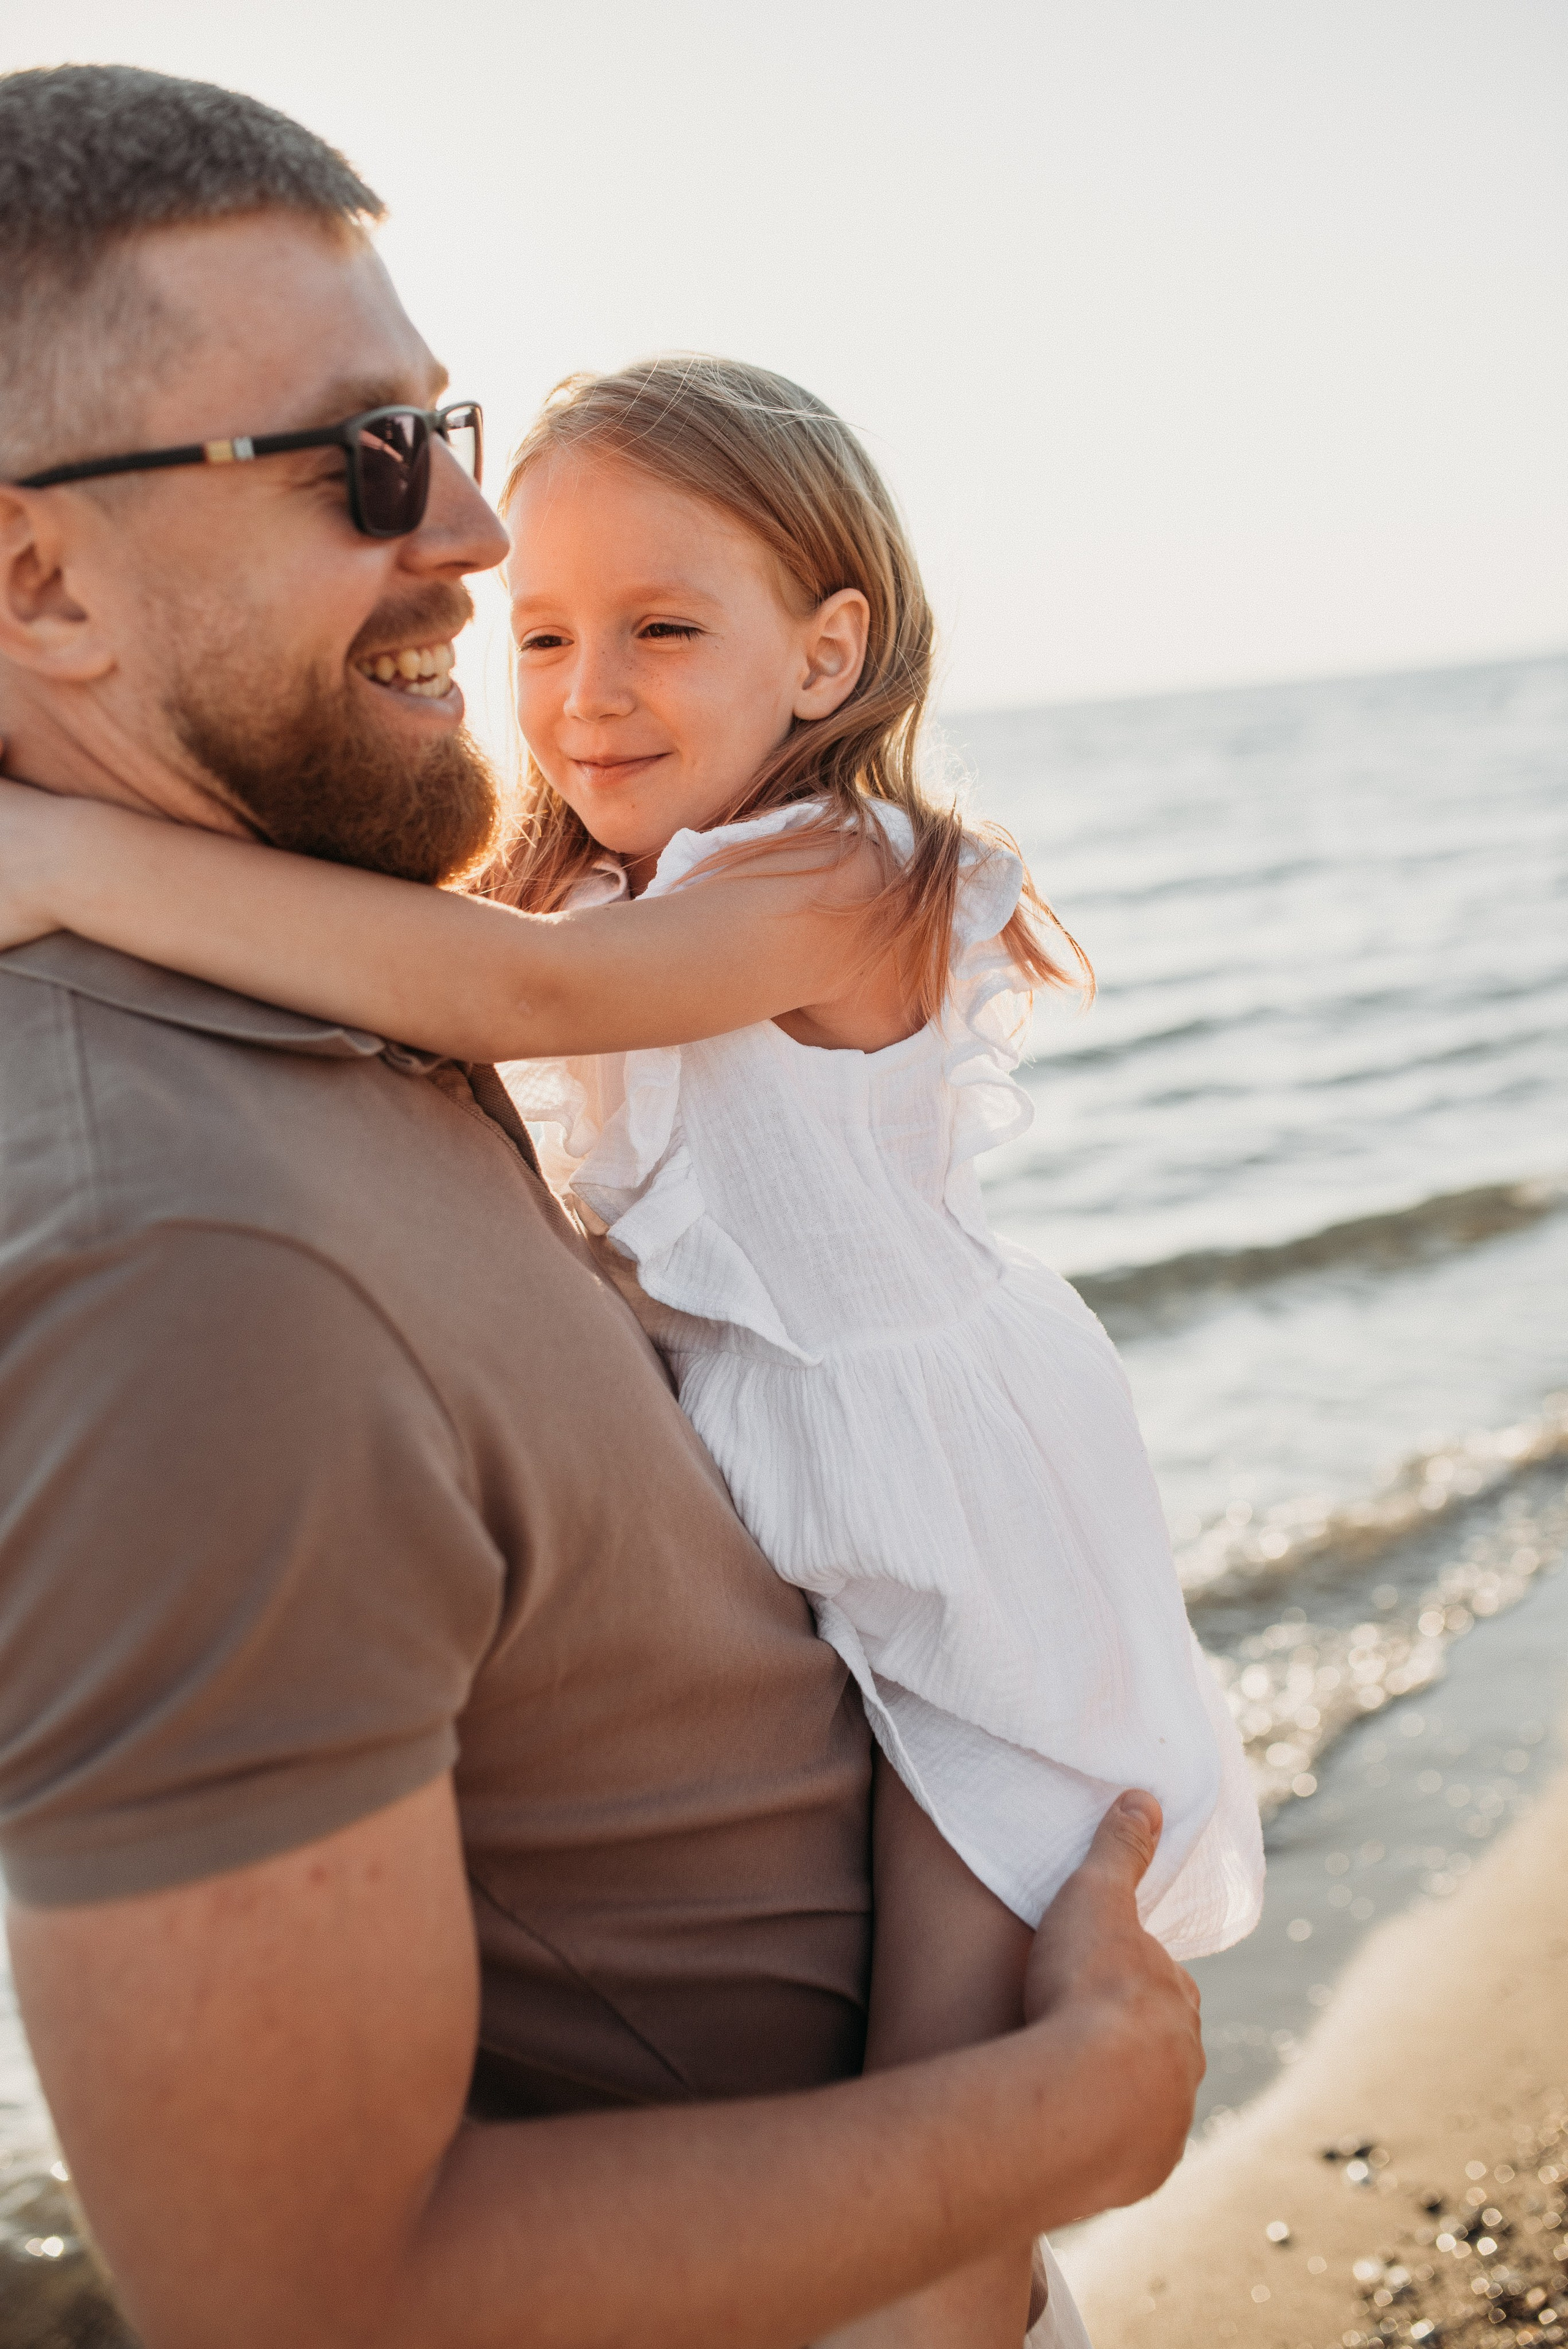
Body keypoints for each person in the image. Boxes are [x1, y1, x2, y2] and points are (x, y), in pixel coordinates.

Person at [0, 61, 1206, 2349]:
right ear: (34, 575)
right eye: (366, 458)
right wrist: (1085, 2111)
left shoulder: (520, 924)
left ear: (827, 650)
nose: (467, 543)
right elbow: (301, 2287)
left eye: (446, 431)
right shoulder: (176, 1253)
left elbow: (521, 984)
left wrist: (85, 855)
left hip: (931, 1482)